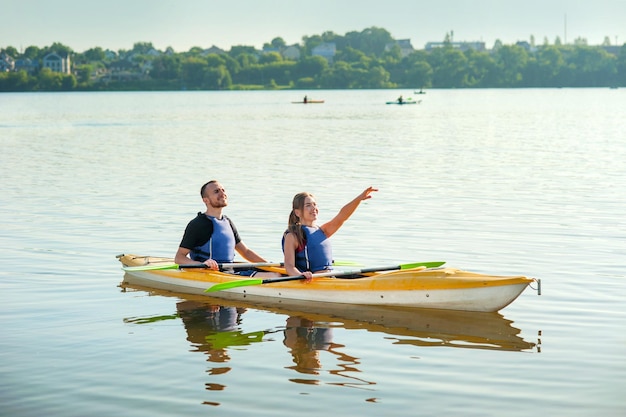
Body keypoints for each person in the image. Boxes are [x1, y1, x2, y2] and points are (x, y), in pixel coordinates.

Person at [175, 180, 278, 277]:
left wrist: (269, 265)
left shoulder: (227, 222)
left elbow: (245, 252)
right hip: (212, 273)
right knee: (275, 276)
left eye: (223, 190)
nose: (222, 193)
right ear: (205, 200)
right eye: (216, 191)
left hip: (230, 269)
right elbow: (179, 258)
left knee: (279, 272)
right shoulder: (197, 224)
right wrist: (202, 265)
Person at [282, 187, 378, 280]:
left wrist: (359, 199)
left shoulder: (322, 231)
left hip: (329, 276)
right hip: (313, 280)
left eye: (314, 204)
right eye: (308, 205)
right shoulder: (293, 236)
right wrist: (301, 275)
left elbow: (342, 216)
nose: (313, 208)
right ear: (297, 212)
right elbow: (289, 266)